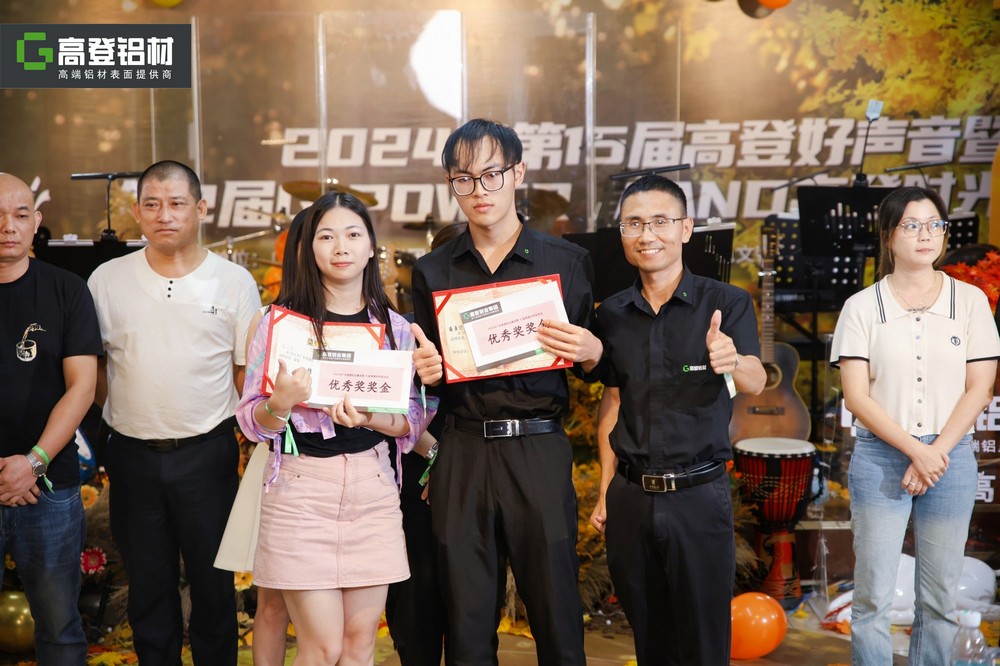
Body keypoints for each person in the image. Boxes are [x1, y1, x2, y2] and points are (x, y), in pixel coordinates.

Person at [410, 119, 603, 665]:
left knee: (555, 610)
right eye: (463, 179)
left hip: (537, 446)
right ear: (451, 184)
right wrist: (425, 371)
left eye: (491, 174)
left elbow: (595, 367)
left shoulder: (566, 262)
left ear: (518, 173)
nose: (479, 191)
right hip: (462, 449)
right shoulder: (432, 271)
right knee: (466, 620)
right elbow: (427, 376)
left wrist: (592, 348)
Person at [236, 191, 436, 666]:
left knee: (358, 645)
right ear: (309, 248)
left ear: (370, 248)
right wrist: (280, 403)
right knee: (323, 647)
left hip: (373, 489)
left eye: (352, 235)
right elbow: (252, 422)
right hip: (302, 491)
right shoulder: (278, 324)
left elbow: (410, 422)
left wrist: (368, 417)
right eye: (326, 236)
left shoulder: (395, 329)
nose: (341, 247)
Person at [586, 174, 765, 666]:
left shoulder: (725, 303)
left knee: (705, 641)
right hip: (630, 498)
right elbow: (613, 403)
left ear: (686, 229)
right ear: (622, 234)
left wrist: (731, 358)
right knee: (649, 640)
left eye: (660, 221)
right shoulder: (612, 314)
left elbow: (754, 379)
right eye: (634, 224)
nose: (647, 234)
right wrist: (605, 488)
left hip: (698, 497)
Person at [88, 160, 261, 666]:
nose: (164, 215)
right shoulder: (106, 279)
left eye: (177, 203)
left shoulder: (233, 281)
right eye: (152, 204)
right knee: (147, 588)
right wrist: (134, 412)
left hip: (207, 455)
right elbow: (94, 367)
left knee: (213, 587)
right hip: (132, 457)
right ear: (137, 213)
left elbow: (244, 372)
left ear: (201, 209)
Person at [830, 186, 1000, 666]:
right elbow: (857, 397)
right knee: (872, 598)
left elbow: (980, 388)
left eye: (934, 225)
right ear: (888, 235)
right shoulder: (862, 307)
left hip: (951, 458)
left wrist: (934, 452)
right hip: (881, 459)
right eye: (911, 225)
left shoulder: (971, 301)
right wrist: (915, 451)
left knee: (940, 598)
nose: (926, 235)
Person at [0, 173, 100, 665]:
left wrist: (32, 462)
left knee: (60, 628)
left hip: (50, 485)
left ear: (36, 222)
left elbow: (82, 387)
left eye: (20, 215)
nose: (8, 227)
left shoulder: (67, 290)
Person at [384, 221, 465, 666]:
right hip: (417, 478)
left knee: (469, 607)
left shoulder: (492, 325)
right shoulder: (407, 331)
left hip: (474, 476)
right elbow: (392, 412)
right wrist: (440, 457)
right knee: (417, 602)